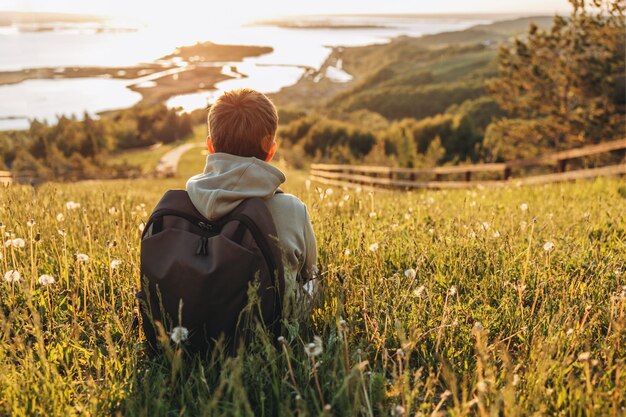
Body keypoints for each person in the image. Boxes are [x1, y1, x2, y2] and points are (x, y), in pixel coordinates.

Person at [185, 88, 318, 317]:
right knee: (318, 279)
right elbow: (308, 273)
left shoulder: (182, 204)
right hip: (272, 327)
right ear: (270, 148)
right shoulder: (293, 209)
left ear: (210, 147)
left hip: (192, 322)